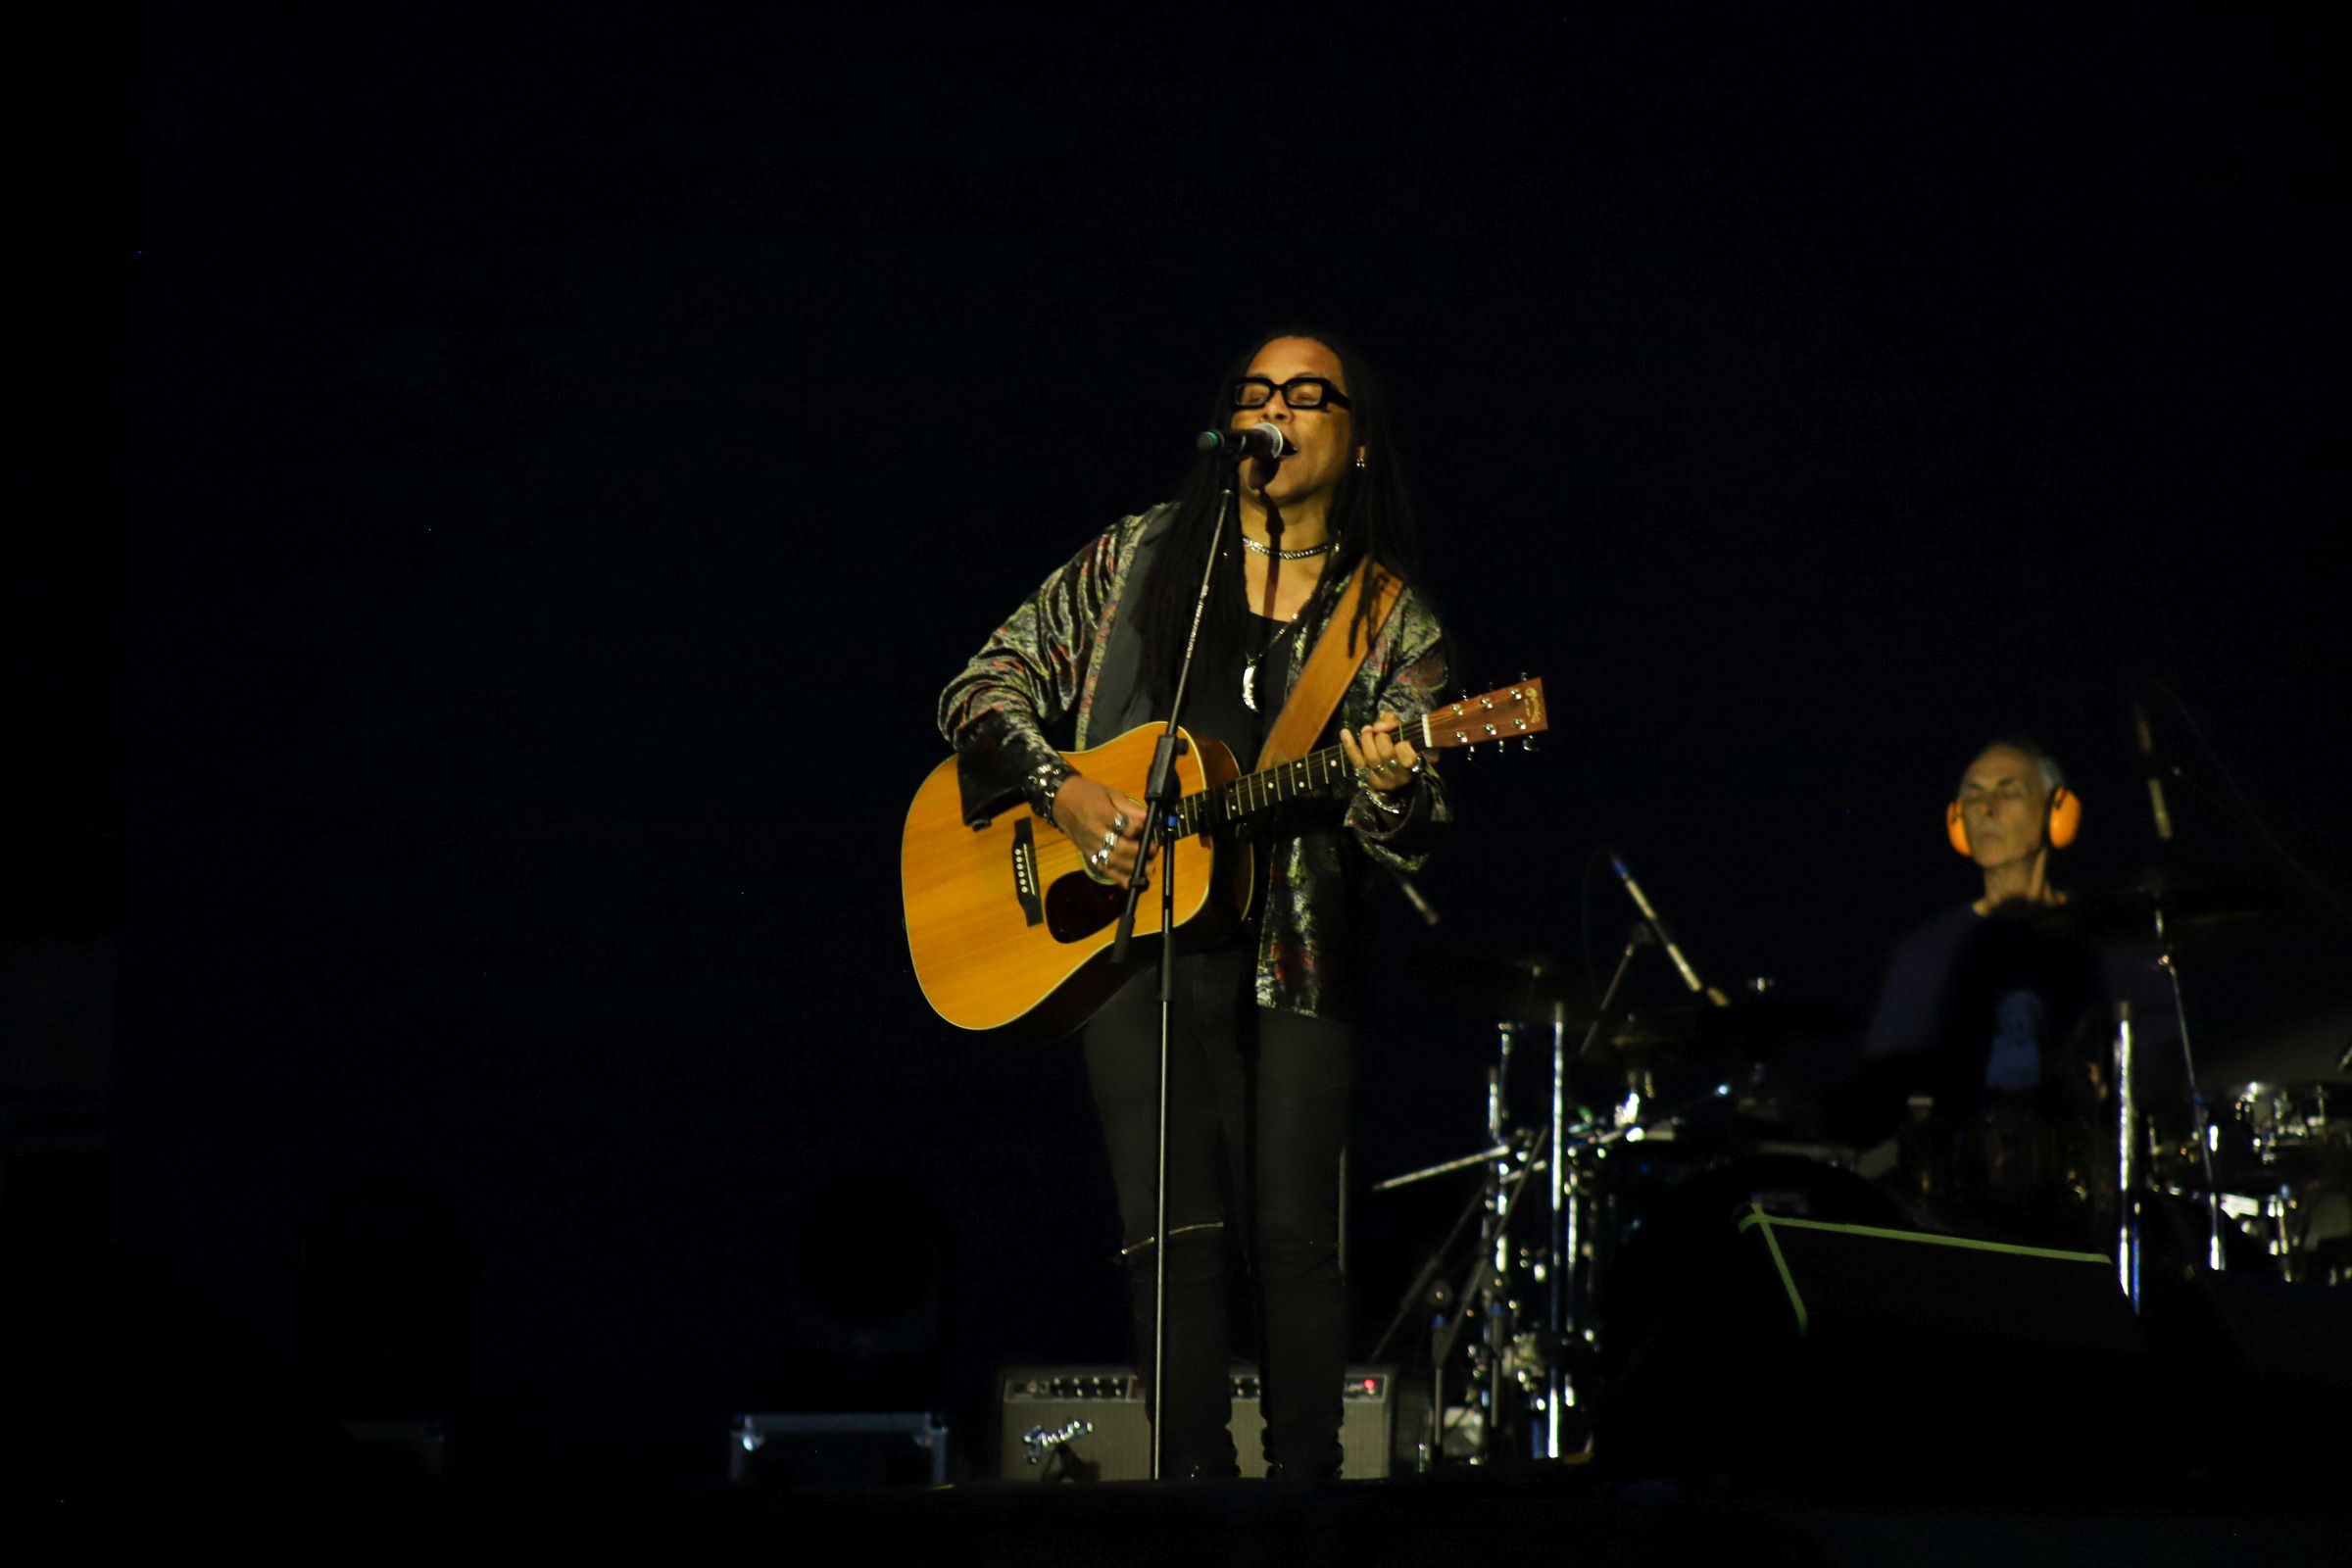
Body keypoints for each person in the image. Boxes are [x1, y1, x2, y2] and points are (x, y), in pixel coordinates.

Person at [936, 330, 1451, 1480]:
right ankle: (1185, 1501)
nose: (1274, 407)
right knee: (1170, 1238)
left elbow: (1417, 846)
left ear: (1356, 441)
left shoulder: (1387, 623)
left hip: (1299, 960)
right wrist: (1063, 790)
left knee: (1295, 1242)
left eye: (1305, 394)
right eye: (1254, 391)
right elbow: (980, 685)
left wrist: (1395, 785)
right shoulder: (1141, 557)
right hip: (1124, 944)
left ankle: (1308, 1499)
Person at [1853, 737, 2111, 1246]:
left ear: (2058, 814)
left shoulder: (2108, 939)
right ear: (1957, 822)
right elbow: (1880, 1093)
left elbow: (2163, 1068)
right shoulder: (1927, 952)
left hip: (2084, 1198)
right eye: (1973, 797)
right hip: (1956, 1200)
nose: (1987, 809)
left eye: (2008, 792)